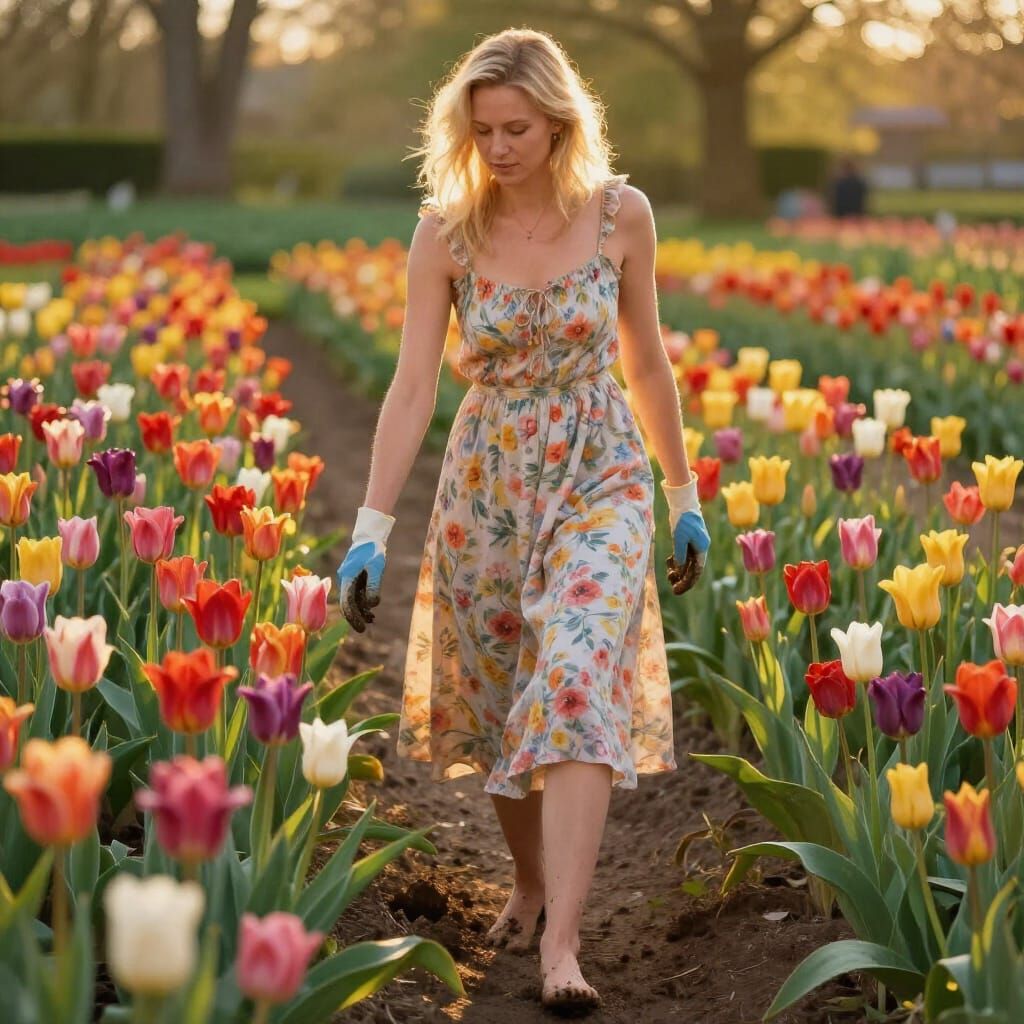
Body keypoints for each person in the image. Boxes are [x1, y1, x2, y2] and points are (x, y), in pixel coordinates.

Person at [335, 27, 710, 1015]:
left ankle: (565, 944)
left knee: (580, 674)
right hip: (488, 484)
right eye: (482, 129)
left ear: (559, 122)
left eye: (518, 129)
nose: (498, 148)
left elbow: (648, 363)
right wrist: (371, 524)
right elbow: (414, 386)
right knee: (501, 703)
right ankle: (532, 881)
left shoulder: (622, 215)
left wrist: (682, 495)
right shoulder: (446, 232)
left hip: (601, 471)